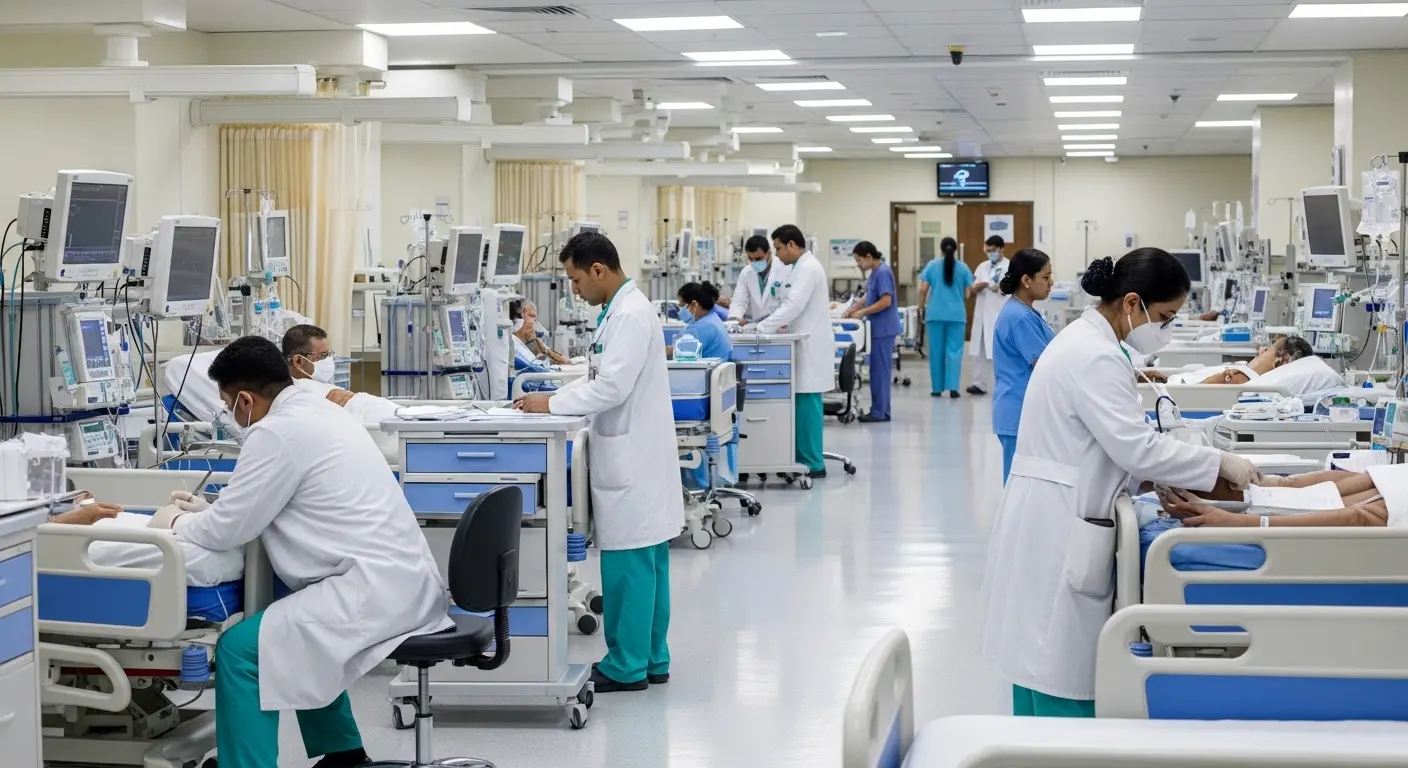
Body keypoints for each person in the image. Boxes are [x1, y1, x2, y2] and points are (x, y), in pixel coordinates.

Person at [980, 249, 1263, 719]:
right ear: (1132, 303)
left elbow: (1118, 441)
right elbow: (1135, 449)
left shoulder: (1089, 343)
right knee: (1060, 666)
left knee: (1038, 663)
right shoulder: (1095, 357)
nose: (1167, 328)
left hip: (1050, 508)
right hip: (1062, 519)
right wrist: (1220, 463)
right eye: (1167, 317)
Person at [145, 335, 450, 768]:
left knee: (241, 650)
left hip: (372, 590)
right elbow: (258, 505)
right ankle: (343, 754)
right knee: (294, 630)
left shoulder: (276, 432)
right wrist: (209, 510)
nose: (230, 412)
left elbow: (227, 531)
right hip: (396, 579)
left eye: (228, 402)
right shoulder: (318, 410)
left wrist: (175, 522)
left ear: (245, 400)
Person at [513, 232, 682, 693]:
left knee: (628, 567)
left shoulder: (628, 314)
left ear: (598, 270)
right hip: (638, 456)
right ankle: (651, 657)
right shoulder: (621, 310)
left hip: (632, 460)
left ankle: (627, 667)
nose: (574, 290)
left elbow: (611, 388)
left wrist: (549, 403)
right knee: (649, 564)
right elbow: (604, 378)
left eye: (574, 279)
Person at [754, 224, 833, 479]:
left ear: (791, 245)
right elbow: (788, 304)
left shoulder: (808, 269)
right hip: (803, 342)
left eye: (778, 248)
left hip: (810, 346)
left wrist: (762, 327)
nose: (776, 255)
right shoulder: (800, 268)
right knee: (801, 404)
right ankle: (802, 458)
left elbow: (794, 305)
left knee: (807, 403)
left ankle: (813, 463)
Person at [992, 248, 1056, 483]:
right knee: (1018, 488)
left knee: (1026, 486)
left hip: (1024, 409)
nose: (1051, 283)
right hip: (1018, 410)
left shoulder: (1026, 311)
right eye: (1046, 278)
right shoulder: (1018, 317)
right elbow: (1046, 363)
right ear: (1026, 280)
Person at [844, 241, 901, 423]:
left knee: (880, 372)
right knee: (878, 371)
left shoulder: (883, 272)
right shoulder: (875, 273)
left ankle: (880, 413)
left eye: (859, 260)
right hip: (878, 328)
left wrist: (862, 312)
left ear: (869, 257)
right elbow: (868, 297)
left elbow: (886, 301)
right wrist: (850, 310)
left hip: (883, 329)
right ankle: (881, 410)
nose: (858, 264)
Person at [918, 237, 975, 398]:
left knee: (936, 352)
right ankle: (953, 388)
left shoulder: (932, 266)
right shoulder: (963, 268)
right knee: (955, 351)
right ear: (955, 250)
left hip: (935, 314)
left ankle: (937, 389)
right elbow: (967, 293)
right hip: (956, 315)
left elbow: (922, 289)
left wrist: (920, 306)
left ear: (941, 249)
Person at [968, 235, 1010, 396]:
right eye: (988, 250)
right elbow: (973, 287)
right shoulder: (982, 267)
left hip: (998, 313)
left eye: (993, 250)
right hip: (981, 313)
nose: (990, 253)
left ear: (1001, 249)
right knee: (979, 350)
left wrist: (997, 287)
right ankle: (979, 384)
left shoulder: (1009, 266)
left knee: (997, 351)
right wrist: (978, 287)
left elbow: (1008, 288)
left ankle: (1000, 384)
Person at [728, 235, 789, 324]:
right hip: (758, 329)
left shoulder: (784, 268)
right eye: (750, 259)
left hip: (780, 327)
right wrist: (734, 319)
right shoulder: (746, 273)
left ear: (768, 253)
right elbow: (739, 301)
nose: (754, 262)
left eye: (758, 258)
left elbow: (789, 303)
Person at [674, 282, 734, 361]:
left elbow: (680, 353)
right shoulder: (712, 319)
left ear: (694, 305)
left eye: (682, 306)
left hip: (706, 372)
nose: (680, 311)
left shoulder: (700, 328)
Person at [511, 300, 571, 366]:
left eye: (535, 317)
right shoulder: (512, 342)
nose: (534, 321)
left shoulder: (532, 338)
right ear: (519, 318)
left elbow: (546, 354)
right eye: (531, 316)